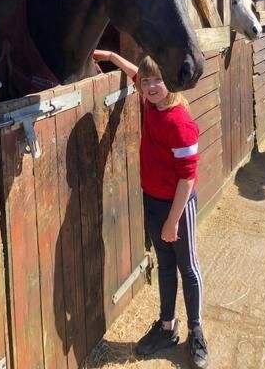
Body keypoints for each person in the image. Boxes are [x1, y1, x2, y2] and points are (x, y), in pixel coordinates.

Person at [94, 49, 209, 369]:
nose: (151, 86)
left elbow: (187, 179)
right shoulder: (150, 101)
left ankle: (197, 331)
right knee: (165, 264)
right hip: (154, 201)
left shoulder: (180, 122)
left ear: (171, 82)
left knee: (188, 266)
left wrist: (173, 221)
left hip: (177, 206)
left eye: (159, 80)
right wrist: (110, 55)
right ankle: (167, 326)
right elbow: (136, 72)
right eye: (147, 82)